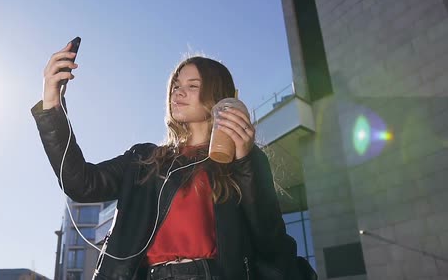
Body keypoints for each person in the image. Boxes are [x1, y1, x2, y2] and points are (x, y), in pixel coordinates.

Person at [31, 40, 315, 280]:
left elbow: (271, 241)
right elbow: (81, 184)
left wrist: (245, 160)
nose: (177, 91)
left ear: (218, 95)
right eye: (176, 85)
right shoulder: (144, 159)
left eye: (192, 85)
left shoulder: (242, 160)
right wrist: (52, 101)